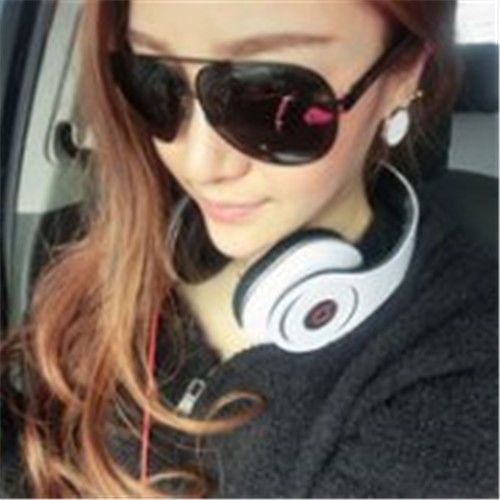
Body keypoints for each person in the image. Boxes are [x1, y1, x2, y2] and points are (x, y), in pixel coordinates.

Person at [1, 0, 497, 497]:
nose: (199, 164)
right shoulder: (114, 260)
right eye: (155, 80)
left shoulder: (462, 380)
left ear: (402, 75)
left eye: (269, 98)